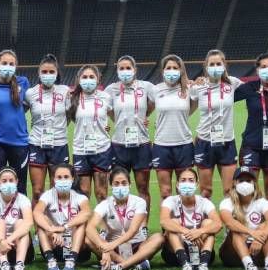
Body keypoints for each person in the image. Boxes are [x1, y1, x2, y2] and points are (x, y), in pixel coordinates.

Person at [234, 53, 268, 213]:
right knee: (247, 190)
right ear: (257, 70)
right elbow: (226, 94)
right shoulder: (249, 88)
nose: (267, 70)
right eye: (263, 67)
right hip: (252, 146)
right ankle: (247, 229)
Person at [86, 167, 164, 270]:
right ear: (111, 186)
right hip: (114, 250)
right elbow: (90, 227)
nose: (120, 187)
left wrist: (109, 246)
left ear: (129, 184)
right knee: (87, 239)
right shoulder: (104, 204)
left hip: (137, 246)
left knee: (159, 237)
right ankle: (132, 265)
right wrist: (104, 247)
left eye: (124, 183)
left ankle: (120, 266)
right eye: (116, 184)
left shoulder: (139, 202)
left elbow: (133, 231)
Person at [105, 55, 155, 211]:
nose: (125, 71)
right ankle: (120, 224)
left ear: (135, 70)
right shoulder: (111, 89)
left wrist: (145, 115)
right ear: (117, 70)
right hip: (119, 146)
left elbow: (154, 102)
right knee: (119, 189)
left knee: (143, 188)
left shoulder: (146, 87)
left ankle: (143, 226)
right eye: (121, 68)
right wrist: (115, 121)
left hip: (141, 145)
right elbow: (108, 110)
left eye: (128, 68)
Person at [191, 49, 241, 199]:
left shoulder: (233, 83)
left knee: (229, 191)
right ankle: (208, 223)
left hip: (226, 142)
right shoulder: (197, 87)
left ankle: (229, 223)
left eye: (218, 63)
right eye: (211, 64)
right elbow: (186, 108)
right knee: (205, 191)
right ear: (206, 66)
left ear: (224, 65)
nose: (215, 66)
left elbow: (255, 89)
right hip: (204, 142)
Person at [159, 167, 222, 270]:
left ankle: (203, 267)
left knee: (208, 224)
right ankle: (186, 267)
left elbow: (218, 224)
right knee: (172, 223)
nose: (186, 183)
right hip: (174, 253)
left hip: (199, 248)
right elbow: (164, 221)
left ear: (197, 184)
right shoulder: (170, 200)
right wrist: (186, 231)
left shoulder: (204, 202)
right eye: (183, 180)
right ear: (177, 184)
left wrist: (200, 231)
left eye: (191, 180)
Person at [218, 167, 268, 270]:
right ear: (235, 183)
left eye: (248, 181)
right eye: (241, 181)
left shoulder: (262, 202)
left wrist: (261, 237)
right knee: (236, 230)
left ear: (254, 183)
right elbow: (229, 222)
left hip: (257, 249)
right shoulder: (227, 202)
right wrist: (252, 233)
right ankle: (250, 268)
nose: (245, 184)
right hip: (231, 254)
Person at [25, 54, 71, 204]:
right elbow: (19, 113)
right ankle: (39, 227)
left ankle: (54, 225)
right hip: (36, 144)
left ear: (57, 73)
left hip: (59, 145)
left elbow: (70, 115)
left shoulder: (65, 91)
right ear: (39, 73)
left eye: (51, 72)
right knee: (37, 191)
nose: (48, 75)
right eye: (44, 72)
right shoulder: (30, 93)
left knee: (57, 190)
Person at [0, 49, 31, 188]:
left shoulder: (23, 82)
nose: (7, 66)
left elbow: (26, 106)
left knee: (20, 187)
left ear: (16, 66)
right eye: (4, 63)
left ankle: (20, 211)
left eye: (11, 64)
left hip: (20, 142)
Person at [33, 163, 92, 270]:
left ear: (73, 179)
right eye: (59, 177)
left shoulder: (80, 197)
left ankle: (71, 263)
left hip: (77, 248)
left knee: (81, 222)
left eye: (66, 177)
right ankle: (51, 263)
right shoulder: (47, 195)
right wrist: (51, 231)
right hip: (54, 244)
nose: (62, 180)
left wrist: (64, 227)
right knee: (42, 221)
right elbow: (36, 212)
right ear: (54, 179)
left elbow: (86, 213)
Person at [151, 54, 195, 201]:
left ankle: (184, 223)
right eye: (168, 68)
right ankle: (167, 224)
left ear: (181, 70)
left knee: (185, 190)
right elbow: (144, 109)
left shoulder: (189, 89)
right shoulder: (155, 90)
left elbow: (191, 109)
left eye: (175, 68)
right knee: (165, 192)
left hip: (184, 145)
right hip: (161, 146)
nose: (171, 70)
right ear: (163, 71)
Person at [68, 65, 113, 201]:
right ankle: (85, 223)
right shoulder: (71, 98)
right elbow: (64, 119)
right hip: (81, 150)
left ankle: (103, 222)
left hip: (102, 150)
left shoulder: (105, 97)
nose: (88, 80)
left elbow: (114, 115)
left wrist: (107, 126)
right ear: (79, 79)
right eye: (85, 77)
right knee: (83, 194)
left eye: (91, 77)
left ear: (98, 79)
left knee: (101, 193)